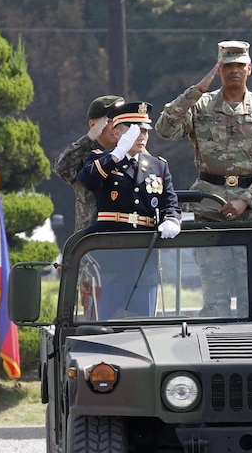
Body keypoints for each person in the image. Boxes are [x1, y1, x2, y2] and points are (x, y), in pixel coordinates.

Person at [155, 40, 252, 317]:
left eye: (239, 65)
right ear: (219, 70)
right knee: (215, 300)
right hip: (211, 210)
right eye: (227, 66)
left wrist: (245, 201)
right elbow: (165, 130)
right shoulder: (200, 105)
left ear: (250, 68)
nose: (234, 71)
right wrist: (195, 91)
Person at [76, 102, 182, 319]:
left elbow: (170, 202)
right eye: (133, 130)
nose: (141, 135)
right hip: (111, 256)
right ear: (116, 132)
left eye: (144, 130)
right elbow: (87, 179)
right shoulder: (101, 160)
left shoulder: (157, 166)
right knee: (105, 326)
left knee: (144, 326)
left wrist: (172, 220)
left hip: (144, 258)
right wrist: (116, 154)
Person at [52, 94, 125, 232]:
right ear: (93, 125)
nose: (117, 127)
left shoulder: (131, 153)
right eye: (110, 121)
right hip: (90, 240)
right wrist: (89, 138)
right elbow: (61, 168)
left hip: (125, 238)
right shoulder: (83, 156)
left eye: (120, 121)